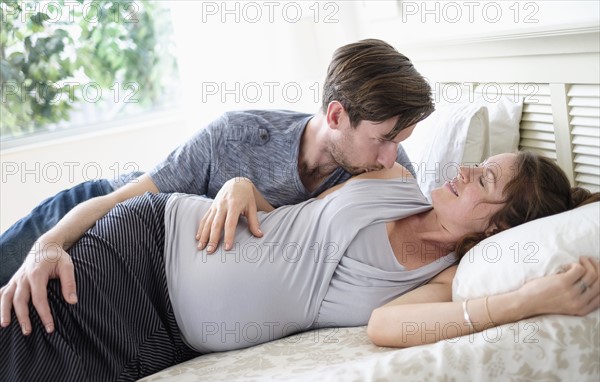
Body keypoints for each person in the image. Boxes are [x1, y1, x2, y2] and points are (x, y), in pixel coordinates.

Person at [0, 151, 598, 382]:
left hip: (154, 340)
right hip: (140, 252)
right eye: (478, 164)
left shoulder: (443, 278)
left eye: (485, 181)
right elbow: (286, 186)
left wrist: (525, 299)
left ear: (497, 232)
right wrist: (240, 185)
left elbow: (389, 327)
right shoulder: (392, 175)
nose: (466, 170)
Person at [0, 38, 434, 286]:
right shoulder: (235, 134)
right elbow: (124, 197)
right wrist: (48, 244)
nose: (390, 157)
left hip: (136, 263)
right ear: (337, 115)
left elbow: (303, 239)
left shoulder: (388, 170)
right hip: (99, 207)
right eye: (383, 139)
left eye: (400, 141)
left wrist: (249, 193)